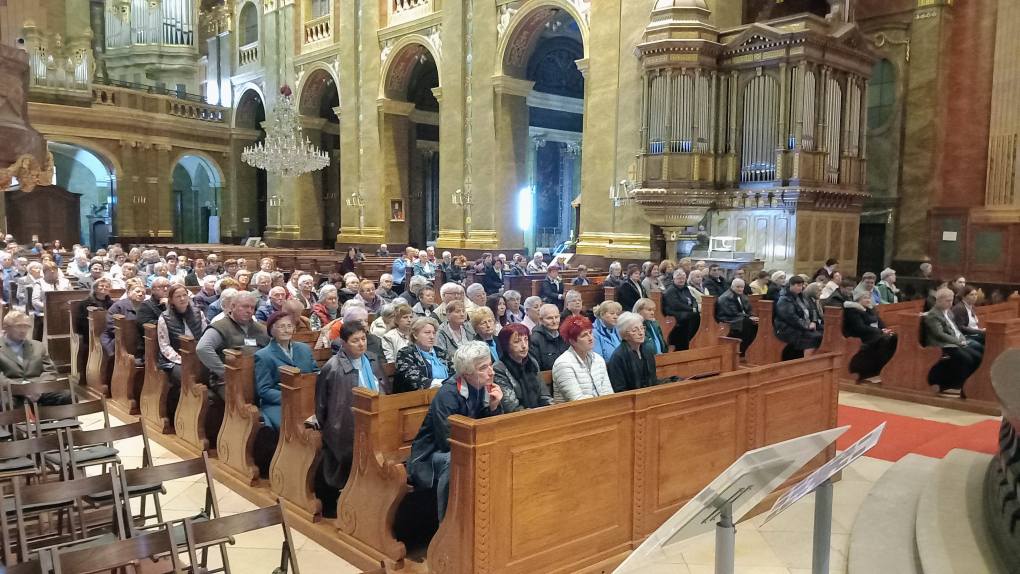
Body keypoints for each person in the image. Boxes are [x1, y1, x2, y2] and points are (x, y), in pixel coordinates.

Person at [407, 342, 502, 520]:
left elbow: (489, 429)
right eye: (483, 368)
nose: (491, 372)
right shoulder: (448, 394)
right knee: (457, 460)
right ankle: (449, 526)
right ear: (467, 373)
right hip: (429, 456)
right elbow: (447, 441)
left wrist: (494, 407)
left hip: (467, 448)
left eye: (490, 364)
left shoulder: (482, 387)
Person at [316, 321, 389, 506]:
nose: (361, 344)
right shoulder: (332, 367)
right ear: (344, 343)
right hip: (346, 425)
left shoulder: (372, 359)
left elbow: (385, 388)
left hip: (377, 417)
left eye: (363, 339)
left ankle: (376, 495)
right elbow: (322, 404)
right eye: (355, 340)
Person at [196, 291, 270, 397]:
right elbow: (202, 348)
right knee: (242, 396)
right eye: (245, 307)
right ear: (232, 306)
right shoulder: (221, 326)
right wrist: (224, 372)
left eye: (252, 308)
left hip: (257, 378)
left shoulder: (261, 329)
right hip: (228, 381)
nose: (249, 311)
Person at [256, 312, 317, 433]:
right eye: (281, 326)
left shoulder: (304, 349)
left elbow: (315, 373)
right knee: (294, 429)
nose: (286, 330)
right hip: (279, 404)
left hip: (308, 401)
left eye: (289, 326)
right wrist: (290, 398)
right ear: (271, 331)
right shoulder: (263, 356)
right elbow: (264, 390)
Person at [156, 285, 208, 420]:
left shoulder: (198, 313)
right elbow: (164, 345)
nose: (182, 299)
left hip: (197, 356)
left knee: (210, 374)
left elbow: (205, 336)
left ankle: (205, 413)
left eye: (184, 295)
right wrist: (180, 359)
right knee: (186, 377)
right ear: (171, 300)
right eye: (178, 296)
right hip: (174, 359)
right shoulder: (165, 317)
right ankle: (181, 413)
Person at [0, 311, 70, 405]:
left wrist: (38, 388)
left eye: (26, 326)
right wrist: (22, 389)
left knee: (67, 395)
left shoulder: (38, 346)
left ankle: (66, 420)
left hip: (38, 388)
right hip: (12, 391)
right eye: (19, 326)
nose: (23, 330)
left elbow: (50, 371)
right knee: (6, 403)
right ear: (6, 327)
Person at [923, 288, 984, 396]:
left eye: (951, 300)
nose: (951, 303)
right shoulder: (933, 315)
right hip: (940, 345)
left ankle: (971, 383)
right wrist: (958, 341)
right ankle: (953, 385)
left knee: (978, 354)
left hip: (954, 342)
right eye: (948, 300)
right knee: (967, 358)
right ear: (939, 300)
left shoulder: (949, 312)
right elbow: (939, 334)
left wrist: (962, 338)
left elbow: (955, 329)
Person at [492, 322, 553, 413]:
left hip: (538, 413)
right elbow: (511, 407)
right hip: (517, 419)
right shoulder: (499, 368)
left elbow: (544, 396)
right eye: (517, 341)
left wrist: (552, 410)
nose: (524, 346)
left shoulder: (532, 362)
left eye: (526, 339)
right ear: (506, 345)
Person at [552, 315, 613, 402]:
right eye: (584, 335)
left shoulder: (598, 359)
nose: (591, 338)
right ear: (572, 341)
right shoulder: (563, 364)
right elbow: (577, 400)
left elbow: (608, 393)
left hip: (599, 409)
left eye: (591, 333)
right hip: (573, 413)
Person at [843, 289, 898, 380]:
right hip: (860, 337)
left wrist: (884, 329)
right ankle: (881, 367)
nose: (868, 300)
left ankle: (886, 367)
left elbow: (879, 321)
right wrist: (880, 331)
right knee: (884, 341)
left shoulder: (869, 309)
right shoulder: (852, 311)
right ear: (858, 299)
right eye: (865, 298)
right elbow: (859, 328)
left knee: (892, 339)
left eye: (869, 298)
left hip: (872, 335)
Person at [394, 317, 454, 393]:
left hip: (446, 393)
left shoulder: (440, 352)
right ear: (415, 335)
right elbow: (413, 380)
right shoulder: (405, 353)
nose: (432, 337)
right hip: (415, 399)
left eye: (434, 333)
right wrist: (444, 384)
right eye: (427, 332)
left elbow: (454, 373)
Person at [774, 276, 823, 360]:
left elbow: (813, 309)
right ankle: (806, 361)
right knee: (813, 337)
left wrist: (814, 321)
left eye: (801, 285)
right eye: (798, 285)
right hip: (787, 328)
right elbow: (791, 318)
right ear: (791, 285)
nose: (800, 288)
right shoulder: (784, 299)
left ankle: (817, 359)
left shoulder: (803, 296)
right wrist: (807, 326)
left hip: (804, 324)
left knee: (825, 331)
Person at [607, 311, 658, 392]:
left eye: (642, 328)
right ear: (624, 334)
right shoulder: (618, 357)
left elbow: (653, 379)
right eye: (635, 330)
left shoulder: (647, 350)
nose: (641, 333)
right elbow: (619, 388)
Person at [102, 281, 146, 356]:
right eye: (138, 291)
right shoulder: (119, 306)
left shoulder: (145, 307)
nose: (141, 294)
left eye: (143, 293)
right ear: (129, 293)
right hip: (116, 337)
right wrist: (128, 334)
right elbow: (111, 323)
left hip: (138, 339)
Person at [716, 278, 758, 355]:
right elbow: (732, 312)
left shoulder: (743, 296)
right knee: (747, 322)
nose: (740, 289)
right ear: (732, 286)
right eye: (738, 287)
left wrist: (752, 316)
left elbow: (749, 309)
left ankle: (751, 348)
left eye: (742, 287)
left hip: (739, 317)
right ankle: (742, 350)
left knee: (756, 322)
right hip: (728, 319)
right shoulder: (726, 297)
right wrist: (749, 317)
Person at [662, 269, 700, 351]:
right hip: (675, 314)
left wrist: (694, 307)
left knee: (696, 315)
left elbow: (693, 300)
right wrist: (692, 309)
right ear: (674, 279)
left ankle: (693, 340)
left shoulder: (685, 288)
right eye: (679, 278)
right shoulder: (671, 290)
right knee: (692, 315)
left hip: (687, 312)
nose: (681, 280)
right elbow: (676, 305)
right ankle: (686, 343)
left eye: (683, 278)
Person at [528, 303, 569, 371]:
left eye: (556, 317)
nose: (554, 321)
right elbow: (537, 369)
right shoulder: (534, 340)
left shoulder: (564, 335)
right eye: (549, 318)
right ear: (541, 320)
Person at [136, 277, 170, 356]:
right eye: (161, 286)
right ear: (153, 290)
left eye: (168, 286)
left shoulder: (173, 304)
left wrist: (169, 305)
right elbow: (148, 326)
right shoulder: (145, 306)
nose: (165, 289)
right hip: (153, 347)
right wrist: (168, 310)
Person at [74, 277, 113, 343]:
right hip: (90, 333)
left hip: (107, 332)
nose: (104, 288)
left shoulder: (112, 304)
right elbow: (80, 322)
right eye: (101, 286)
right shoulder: (86, 303)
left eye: (107, 286)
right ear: (95, 288)